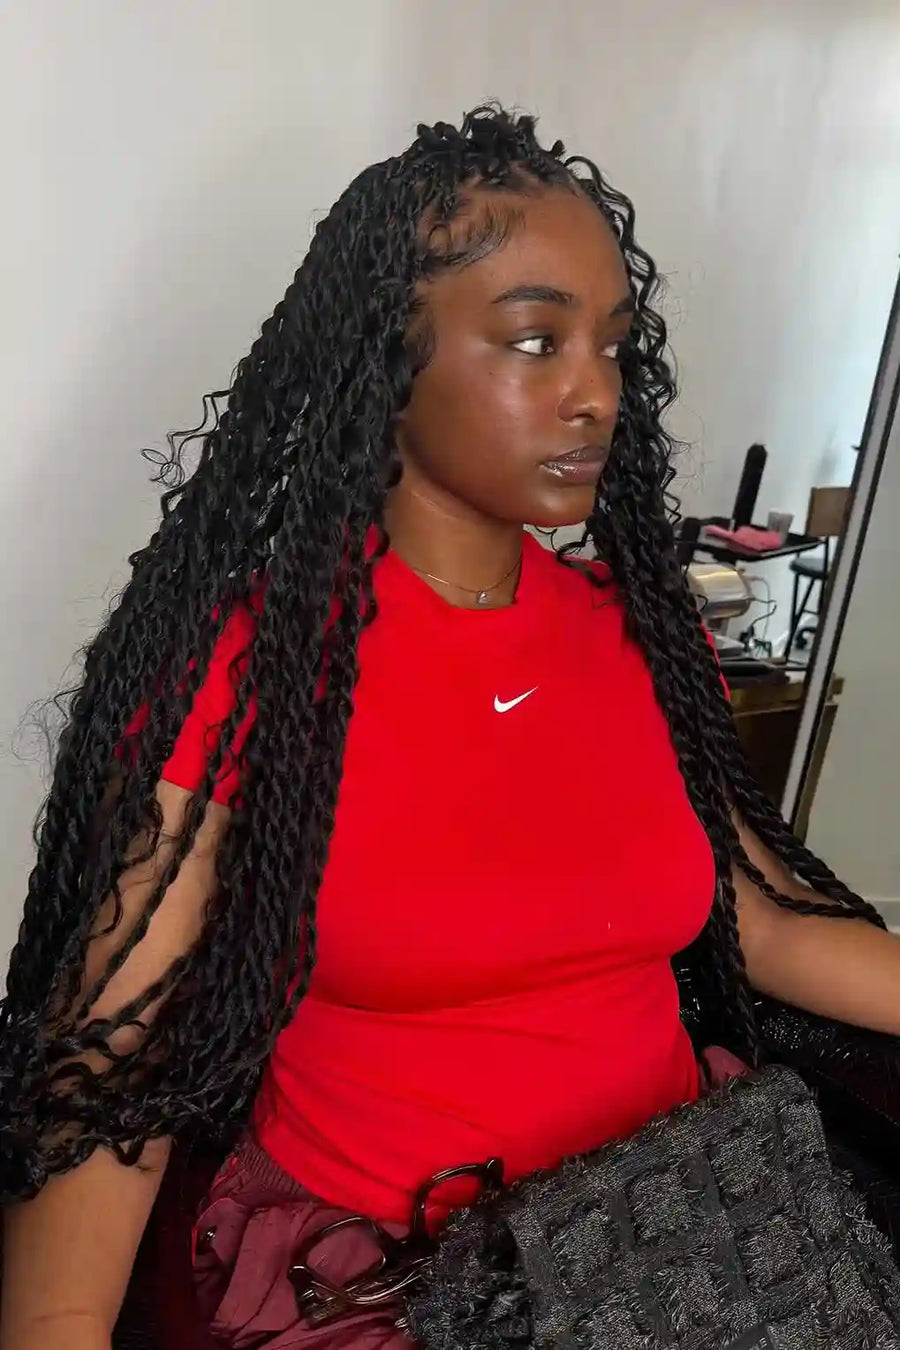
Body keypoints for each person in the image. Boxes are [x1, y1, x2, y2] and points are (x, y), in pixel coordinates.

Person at [2, 104, 900, 1350]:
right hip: (403, 1280)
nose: (595, 391)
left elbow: (759, 921)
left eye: (613, 347)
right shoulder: (249, 675)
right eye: (536, 341)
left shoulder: (644, 640)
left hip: (692, 1226)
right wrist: (54, 1328)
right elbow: (111, 1056)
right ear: (389, 359)